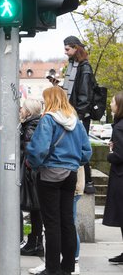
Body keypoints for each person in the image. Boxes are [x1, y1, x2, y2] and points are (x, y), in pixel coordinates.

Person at [26, 86, 92, 275]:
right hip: (70, 174)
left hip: (49, 174)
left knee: (52, 223)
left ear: (50, 99)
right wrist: (72, 162)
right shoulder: (75, 121)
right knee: (67, 221)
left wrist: (33, 164)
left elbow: (39, 150)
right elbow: (86, 151)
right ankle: (68, 267)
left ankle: (52, 268)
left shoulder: (48, 120)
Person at [62, 36, 96, 194]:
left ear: (76, 48)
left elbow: (84, 95)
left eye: (67, 48)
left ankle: (88, 182)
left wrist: (78, 117)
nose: (65, 51)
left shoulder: (84, 67)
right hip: (74, 112)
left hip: (79, 114)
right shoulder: (73, 65)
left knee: (80, 146)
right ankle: (85, 181)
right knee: (78, 145)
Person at [19, 98, 44, 258]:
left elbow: (29, 151)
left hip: (31, 173)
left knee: (36, 209)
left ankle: (35, 243)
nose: (20, 110)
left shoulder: (30, 127)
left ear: (28, 112)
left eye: (23, 108)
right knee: (36, 210)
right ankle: (35, 242)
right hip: (35, 172)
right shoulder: (36, 125)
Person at [103, 91, 123, 264]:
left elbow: (118, 156)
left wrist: (110, 153)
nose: (110, 105)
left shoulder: (119, 127)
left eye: (112, 102)